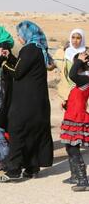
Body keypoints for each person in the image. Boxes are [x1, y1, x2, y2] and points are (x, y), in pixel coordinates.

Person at [0, 21, 54, 182]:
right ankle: (31, 168)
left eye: (19, 34)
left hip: (26, 103)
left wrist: (3, 62)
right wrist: (11, 57)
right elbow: (23, 67)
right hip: (37, 102)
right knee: (31, 133)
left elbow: (17, 73)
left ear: (26, 34)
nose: (18, 37)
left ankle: (14, 170)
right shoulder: (37, 49)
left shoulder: (29, 49)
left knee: (17, 131)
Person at [60, 49, 89, 192]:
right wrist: (67, 104)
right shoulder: (81, 81)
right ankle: (75, 176)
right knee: (69, 147)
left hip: (77, 118)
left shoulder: (86, 78)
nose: (75, 63)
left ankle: (83, 180)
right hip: (72, 116)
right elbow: (77, 99)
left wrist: (80, 60)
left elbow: (71, 75)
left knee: (74, 147)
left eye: (77, 61)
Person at [56, 29, 86, 100]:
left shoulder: (85, 54)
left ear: (82, 39)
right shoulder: (66, 52)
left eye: (78, 38)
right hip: (66, 91)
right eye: (73, 37)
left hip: (80, 89)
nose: (75, 40)